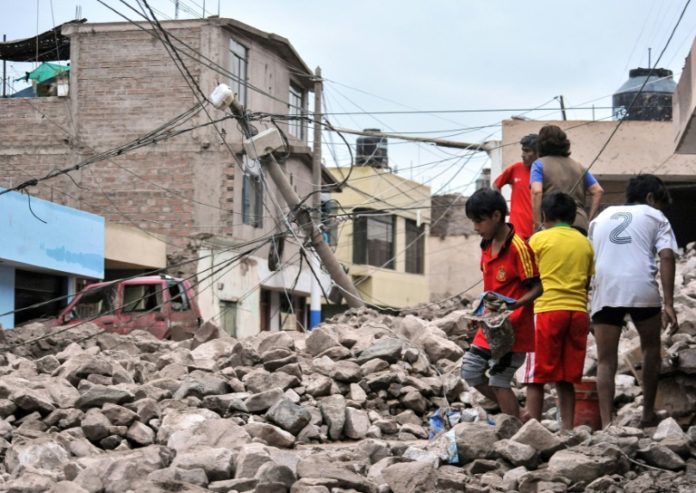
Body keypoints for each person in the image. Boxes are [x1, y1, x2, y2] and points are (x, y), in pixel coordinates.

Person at [589, 174, 679, 428]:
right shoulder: (656, 216)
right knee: (651, 348)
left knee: (606, 360)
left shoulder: (600, 218)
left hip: (606, 289)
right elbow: (667, 257)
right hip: (641, 286)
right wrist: (669, 303)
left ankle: (607, 423)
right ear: (651, 198)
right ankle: (647, 414)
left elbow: (589, 257)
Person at [461, 188, 543, 418]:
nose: (476, 227)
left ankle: (513, 428)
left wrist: (515, 306)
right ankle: (517, 413)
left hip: (513, 329)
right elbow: (490, 291)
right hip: (489, 324)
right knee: (470, 371)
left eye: (479, 221)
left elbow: (538, 287)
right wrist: (476, 316)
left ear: (497, 216)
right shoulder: (486, 246)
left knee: (499, 380)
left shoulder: (519, 247)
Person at [522, 192, 594, 431]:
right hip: (577, 313)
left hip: (547, 311)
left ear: (544, 215)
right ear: (573, 217)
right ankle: (567, 429)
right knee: (567, 377)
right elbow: (586, 282)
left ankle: (533, 428)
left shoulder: (538, 240)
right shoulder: (585, 242)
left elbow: (527, 278)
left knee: (536, 376)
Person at [530, 125, 604, 235]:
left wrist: (537, 223)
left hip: (553, 224)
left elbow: (536, 192)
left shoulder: (539, 164)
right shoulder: (579, 166)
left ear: (540, 145)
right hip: (579, 223)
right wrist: (589, 219)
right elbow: (598, 191)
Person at [492, 134, 538, 239]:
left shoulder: (544, 173)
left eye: (527, 151)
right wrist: (502, 207)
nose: (522, 155)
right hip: (516, 233)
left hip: (537, 234)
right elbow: (495, 185)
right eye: (522, 151)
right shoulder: (516, 168)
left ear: (538, 153)